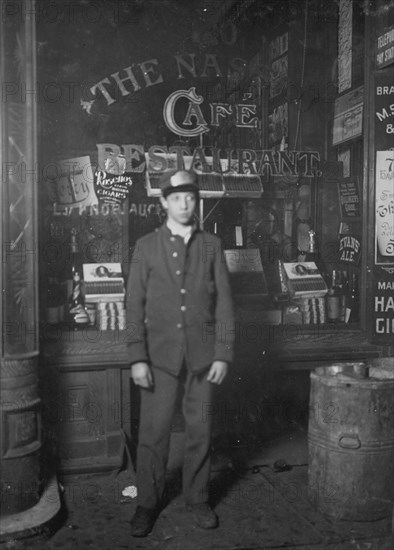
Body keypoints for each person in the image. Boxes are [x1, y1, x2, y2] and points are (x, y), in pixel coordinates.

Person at [127, 169, 235, 537]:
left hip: (203, 362)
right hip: (159, 361)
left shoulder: (212, 246)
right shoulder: (145, 247)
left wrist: (223, 353)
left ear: (197, 200)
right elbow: (133, 306)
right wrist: (137, 357)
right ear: (163, 203)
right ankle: (146, 503)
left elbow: (223, 305)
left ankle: (198, 498)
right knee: (153, 434)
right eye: (176, 198)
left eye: (190, 197)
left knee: (200, 429)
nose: (184, 204)